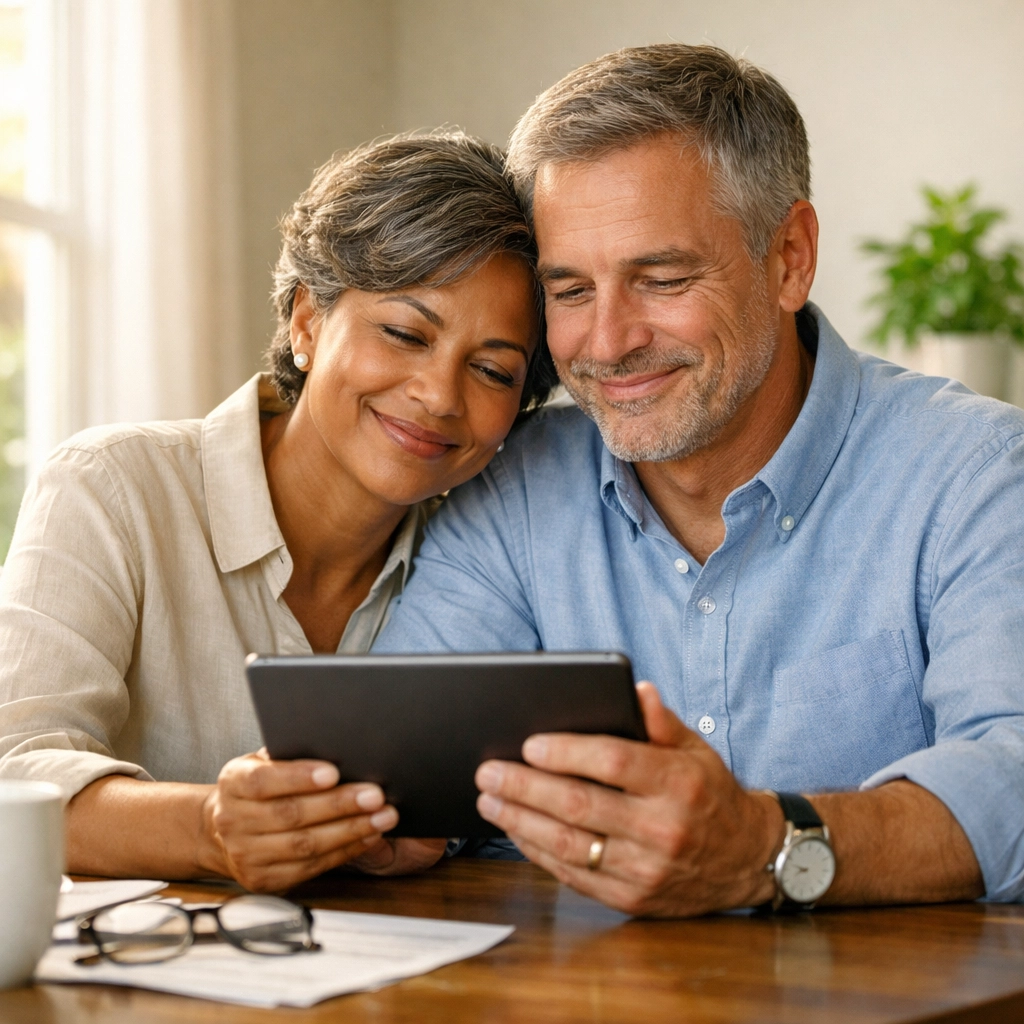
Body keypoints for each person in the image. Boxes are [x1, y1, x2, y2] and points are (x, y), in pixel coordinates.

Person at [375, 45, 1024, 914]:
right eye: (569, 292)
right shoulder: (516, 489)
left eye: (664, 279)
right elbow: (401, 763)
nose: (606, 344)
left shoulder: (976, 475)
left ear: (790, 256)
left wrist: (767, 846)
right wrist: (378, 818)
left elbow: (1013, 773)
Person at [0, 131, 554, 892]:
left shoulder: (493, 563)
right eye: (403, 333)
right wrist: (210, 828)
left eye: (492, 369)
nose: (439, 395)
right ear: (305, 322)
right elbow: (14, 777)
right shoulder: (110, 488)